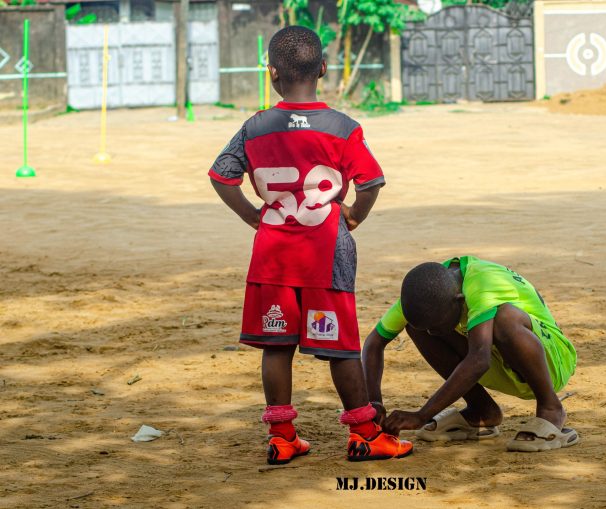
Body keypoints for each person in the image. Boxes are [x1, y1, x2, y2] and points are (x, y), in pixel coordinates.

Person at [208, 26, 412, 465]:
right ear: (323, 68)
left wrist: (251, 215)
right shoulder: (343, 127)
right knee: (339, 345)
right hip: (327, 256)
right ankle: (364, 434)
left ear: (272, 73)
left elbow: (221, 175)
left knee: (276, 345)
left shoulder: (255, 126)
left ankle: (282, 438)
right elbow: (372, 182)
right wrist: (352, 216)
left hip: (274, 255)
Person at [363, 256, 579, 452]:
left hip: (551, 363)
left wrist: (423, 414)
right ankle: (482, 411)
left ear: (458, 300)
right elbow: (374, 343)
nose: (433, 334)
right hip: (501, 361)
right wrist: (374, 403)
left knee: (504, 319)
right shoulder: (427, 290)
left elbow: (479, 359)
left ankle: (551, 408)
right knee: (416, 326)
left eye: (438, 325)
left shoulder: (482, 284)